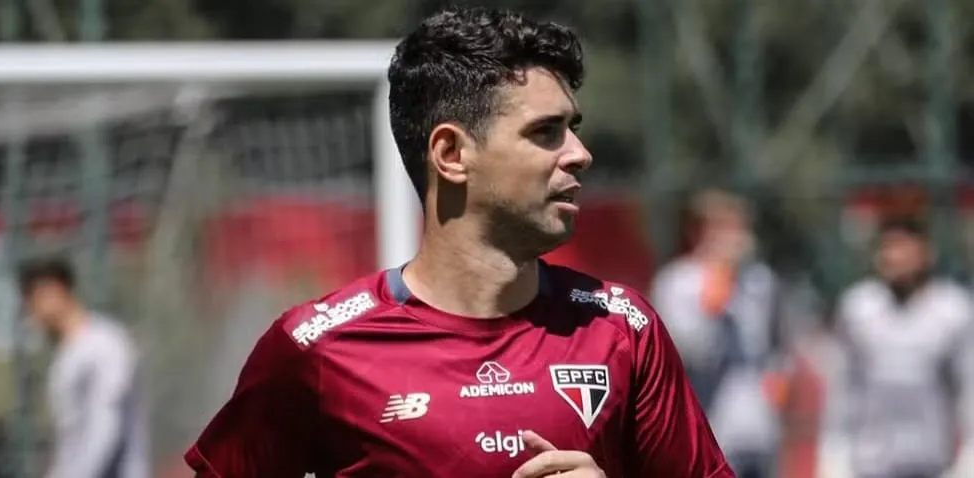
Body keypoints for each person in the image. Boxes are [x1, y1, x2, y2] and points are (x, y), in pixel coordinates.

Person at [185, 6, 733, 478]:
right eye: (546, 132)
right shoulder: (315, 351)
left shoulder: (622, 332)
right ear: (451, 154)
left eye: (574, 128)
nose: (579, 153)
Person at [651, 189, 788, 478]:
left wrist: (777, 383)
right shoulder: (677, 282)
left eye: (740, 228)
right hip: (711, 431)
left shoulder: (760, 281)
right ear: (699, 232)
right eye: (725, 228)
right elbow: (690, 352)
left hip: (759, 430)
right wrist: (720, 281)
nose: (736, 238)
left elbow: (777, 343)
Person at [834, 218, 974, 478]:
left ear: (925, 254)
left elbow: (968, 388)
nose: (894, 258)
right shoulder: (859, 308)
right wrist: (835, 453)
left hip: (932, 459)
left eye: (902, 248)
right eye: (887, 248)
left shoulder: (953, 310)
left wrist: (969, 456)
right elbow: (845, 387)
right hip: (872, 459)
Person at [18, 257, 149, 478]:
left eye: (32, 300)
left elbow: (107, 427)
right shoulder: (66, 354)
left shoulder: (106, 344)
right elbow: (71, 441)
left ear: (53, 290)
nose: (31, 313)